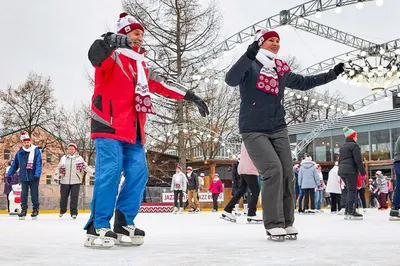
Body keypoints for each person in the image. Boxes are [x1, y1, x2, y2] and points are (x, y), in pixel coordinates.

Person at [84, 12, 209, 248]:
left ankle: (123, 222)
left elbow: (163, 83)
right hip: (109, 126)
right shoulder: (112, 56)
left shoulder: (140, 65)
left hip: (134, 131)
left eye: (141, 34)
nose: (139, 37)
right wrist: (110, 40)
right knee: (109, 174)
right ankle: (97, 225)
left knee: (139, 173)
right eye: (134, 32)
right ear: (123, 33)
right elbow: (95, 55)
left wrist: (191, 96)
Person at [225, 28, 344, 239]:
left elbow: (305, 83)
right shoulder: (250, 64)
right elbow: (230, 79)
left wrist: (332, 74)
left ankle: (287, 222)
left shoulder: (280, 69)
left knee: (288, 173)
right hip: (252, 128)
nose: (275, 44)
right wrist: (249, 54)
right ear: (260, 42)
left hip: (278, 127)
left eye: (278, 41)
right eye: (271, 40)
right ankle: (273, 223)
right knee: (273, 170)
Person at [221, 143, 261, 222]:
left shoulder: (246, 140)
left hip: (243, 168)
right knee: (255, 190)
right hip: (250, 168)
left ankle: (227, 209)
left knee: (242, 190)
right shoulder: (253, 139)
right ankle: (251, 213)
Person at [7, 132, 42, 220]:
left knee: (34, 194)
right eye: (25, 142)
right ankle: (23, 210)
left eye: (28, 141)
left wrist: (37, 175)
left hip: (34, 176)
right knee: (23, 194)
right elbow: (14, 165)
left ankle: (35, 210)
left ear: (30, 141)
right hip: (23, 176)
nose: (26, 143)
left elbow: (38, 163)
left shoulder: (36, 150)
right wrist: (9, 174)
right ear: (23, 142)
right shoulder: (20, 152)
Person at [54, 143, 94, 219]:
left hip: (76, 181)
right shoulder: (64, 158)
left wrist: (93, 172)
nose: (71, 150)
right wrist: (56, 176)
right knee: (63, 197)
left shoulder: (79, 158)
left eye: (72, 149)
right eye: (69, 149)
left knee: (74, 197)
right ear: (67, 150)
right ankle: (62, 210)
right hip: (64, 180)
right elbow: (58, 168)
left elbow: (85, 167)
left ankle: (73, 213)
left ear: (75, 150)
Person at [338, 127, 366, 220]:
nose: (356, 138)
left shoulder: (343, 147)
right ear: (353, 136)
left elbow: (339, 160)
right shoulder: (354, 146)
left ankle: (347, 210)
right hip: (350, 171)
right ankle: (351, 211)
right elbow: (358, 160)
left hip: (342, 171)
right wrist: (363, 172)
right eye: (356, 136)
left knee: (349, 190)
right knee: (352, 191)